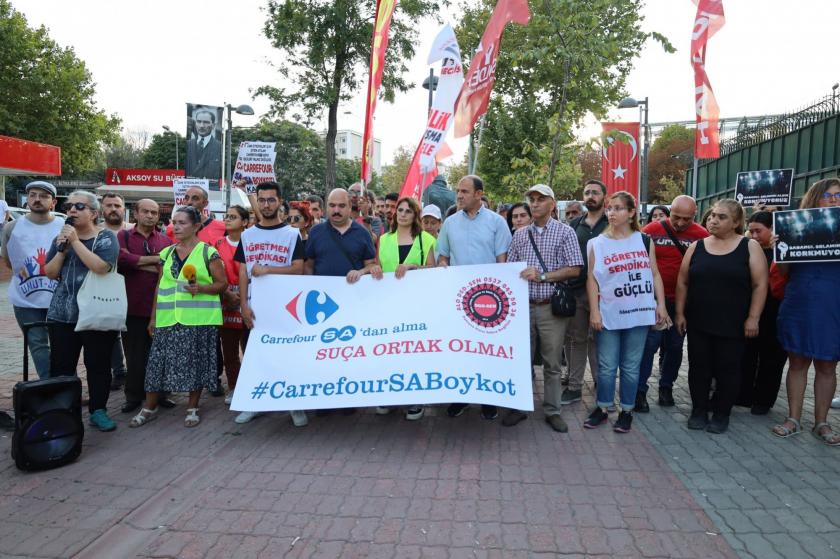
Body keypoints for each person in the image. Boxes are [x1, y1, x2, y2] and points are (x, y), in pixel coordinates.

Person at [675, 199, 768, 434]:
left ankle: (721, 414)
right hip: (699, 321)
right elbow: (683, 282)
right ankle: (698, 411)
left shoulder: (749, 246)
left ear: (736, 222)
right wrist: (679, 313)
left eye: (722, 216)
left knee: (728, 369)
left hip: (734, 323)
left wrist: (753, 317)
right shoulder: (697, 246)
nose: (713, 219)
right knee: (699, 368)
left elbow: (760, 284)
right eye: (712, 215)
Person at [130, 206, 227, 429]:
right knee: (156, 364)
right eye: (174, 222)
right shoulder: (166, 254)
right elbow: (159, 286)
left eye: (182, 222)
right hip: (167, 319)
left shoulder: (208, 252)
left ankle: (192, 407)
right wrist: (153, 317)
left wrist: (202, 288)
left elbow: (222, 284)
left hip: (198, 320)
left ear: (196, 226)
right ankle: (149, 407)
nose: (176, 227)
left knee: (195, 364)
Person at [584, 191, 668, 433]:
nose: (611, 212)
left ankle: (627, 411)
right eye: (610, 208)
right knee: (607, 365)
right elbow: (592, 279)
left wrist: (660, 304)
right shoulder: (596, 244)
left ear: (631, 213)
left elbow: (654, 274)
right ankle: (602, 407)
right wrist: (594, 312)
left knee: (631, 366)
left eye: (619, 208)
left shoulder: (644, 240)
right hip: (610, 313)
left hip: (639, 313)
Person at [503, 185, 583, 432]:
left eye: (541, 199)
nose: (535, 203)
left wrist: (544, 276)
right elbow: (509, 268)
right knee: (520, 361)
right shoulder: (519, 234)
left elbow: (575, 268)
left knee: (552, 363)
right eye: (532, 199)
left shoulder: (565, 232)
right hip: (522, 308)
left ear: (552, 203)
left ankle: (552, 410)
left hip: (550, 308)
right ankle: (519, 407)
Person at [437, 175, 512, 420]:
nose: (459, 195)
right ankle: (461, 397)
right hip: (458, 300)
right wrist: (443, 267)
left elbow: (503, 262)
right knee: (460, 350)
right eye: (458, 191)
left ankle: (488, 399)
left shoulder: (497, 222)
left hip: (489, 301)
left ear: (479, 194)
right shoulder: (449, 223)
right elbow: (443, 256)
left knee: (486, 351)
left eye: (465, 191)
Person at [44, 191, 120, 432]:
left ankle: (99, 410)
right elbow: (51, 272)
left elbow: (101, 267)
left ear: (94, 213)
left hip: (97, 313)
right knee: (62, 367)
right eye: (69, 207)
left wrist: (76, 242)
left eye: (79, 206)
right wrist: (62, 249)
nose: (72, 211)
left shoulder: (106, 238)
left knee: (98, 365)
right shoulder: (60, 238)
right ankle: (65, 411)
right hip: (62, 314)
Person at [773, 178, 840, 444]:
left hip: (833, 303)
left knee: (827, 364)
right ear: (815, 199)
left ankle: (822, 422)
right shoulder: (795, 225)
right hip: (801, 300)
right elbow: (783, 272)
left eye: (838, 195)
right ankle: (793, 418)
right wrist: (781, 248)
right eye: (829, 195)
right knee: (798, 362)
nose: (834, 200)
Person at [235, 184, 306, 425]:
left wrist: (268, 269)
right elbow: (243, 272)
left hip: (284, 307)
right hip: (255, 307)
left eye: (271, 200)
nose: (266, 204)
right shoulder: (247, 235)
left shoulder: (291, 234)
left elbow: (298, 269)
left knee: (287, 356)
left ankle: (293, 405)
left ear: (279, 202)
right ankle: (256, 403)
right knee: (255, 356)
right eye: (262, 200)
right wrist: (243, 303)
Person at [305, 188, 379, 417]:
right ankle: (324, 399)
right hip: (322, 306)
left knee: (347, 351)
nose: (336, 210)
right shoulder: (316, 232)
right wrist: (308, 288)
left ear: (350, 207)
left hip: (352, 305)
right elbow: (308, 264)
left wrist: (361, 271)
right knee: (323, 352)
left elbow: (372, 265)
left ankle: (346, 397)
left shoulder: (362, 233)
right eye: (332, 205)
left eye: (341, 206)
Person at [635, 195, 709, 412]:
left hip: (682, 302)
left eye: (686, 219)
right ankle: (640, 391)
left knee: (675, 346)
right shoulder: (651, 230)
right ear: (670, 211)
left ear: (694, 216)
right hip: (654, 299)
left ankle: (666, 387)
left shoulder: (701, 235)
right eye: (676, 217)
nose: (680, 223)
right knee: (649, 346)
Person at [375, 196, 436, 420]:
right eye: (399, 210)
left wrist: (413, 266)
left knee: (414, 352)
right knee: (390, 351)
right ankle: (390, 397)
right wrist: (373, 269)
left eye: (407, 211)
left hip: (417, 304)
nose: (402, 214)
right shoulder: (384, 239)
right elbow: (377, 265)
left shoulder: (426, 239)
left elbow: (433, 270)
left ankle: (415, 400)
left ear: (414, 215)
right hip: (388, 304)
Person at [0, 181, 64, 379]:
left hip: (59, 296)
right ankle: (49, 386)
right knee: (37, 344)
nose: (37, 199)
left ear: (53, 202)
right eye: (33, 195)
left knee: (62, 344)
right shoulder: (12, 227)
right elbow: (10, 262)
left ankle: (63, 387)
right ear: (27, 199)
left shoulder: (64, 226)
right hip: (25, 298)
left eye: (43, 196)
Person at [117, 198, 173, 414]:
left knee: (160, 354)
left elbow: (167, 269)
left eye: (154, 212)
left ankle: (162, 394)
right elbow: (122, 260)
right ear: (136, 214)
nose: (150, 216)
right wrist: (154, 261)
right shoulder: (123, 236)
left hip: (161, 307)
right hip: (132, 305)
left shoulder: (166, 240)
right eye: (146, 212)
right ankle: (134, 396)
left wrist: (138, 262)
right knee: (134, 356)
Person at [736, 211, 787, 415]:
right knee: (746, 355)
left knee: (771, 359)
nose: (754, 235)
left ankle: (763, 400)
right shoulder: (746, 250)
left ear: (772, 229)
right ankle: (743, 395)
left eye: (759, 231)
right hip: (749, 311)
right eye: (751, 231)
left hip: (775, 312)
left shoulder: (781, 251)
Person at [563, 180, 609, 404]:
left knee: (600, 340)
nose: (591, 196)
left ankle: (602, 383)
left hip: (606, 293)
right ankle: (573, 386)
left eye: (595, 193)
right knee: (576, 339)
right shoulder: (574, 225)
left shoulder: (613, 224)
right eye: (587, 192)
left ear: (604, 197)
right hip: (577, 290)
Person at [216, 205, 249, 405]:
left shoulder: (251, 242)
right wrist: (227, 294)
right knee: (229, 352)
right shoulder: (218, 243)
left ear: (244, 222)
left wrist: (242, 297)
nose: (227, 220)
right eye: (226, 216)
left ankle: (251, 385)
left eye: (233, 217)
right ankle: (234, 387)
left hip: (247, 304)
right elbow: (213, 273)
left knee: (250, 350)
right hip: (225, 303)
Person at [101, 192, 129, 391]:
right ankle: (118, 371)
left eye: (117, 205)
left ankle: (135, 372)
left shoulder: (132, 231)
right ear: (102, 208)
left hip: (132, 289)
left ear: (123, 209)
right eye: (108, 205)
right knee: (110, 333)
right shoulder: (95, 232)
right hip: (105, 289)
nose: (113, 209)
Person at [186, 107, 223, 181]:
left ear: (213, 125)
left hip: (212, 189)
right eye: (199, 122)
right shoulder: (187, 145)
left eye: (206, 122)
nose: (201, 126)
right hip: (191, 186)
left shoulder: (220, 146)